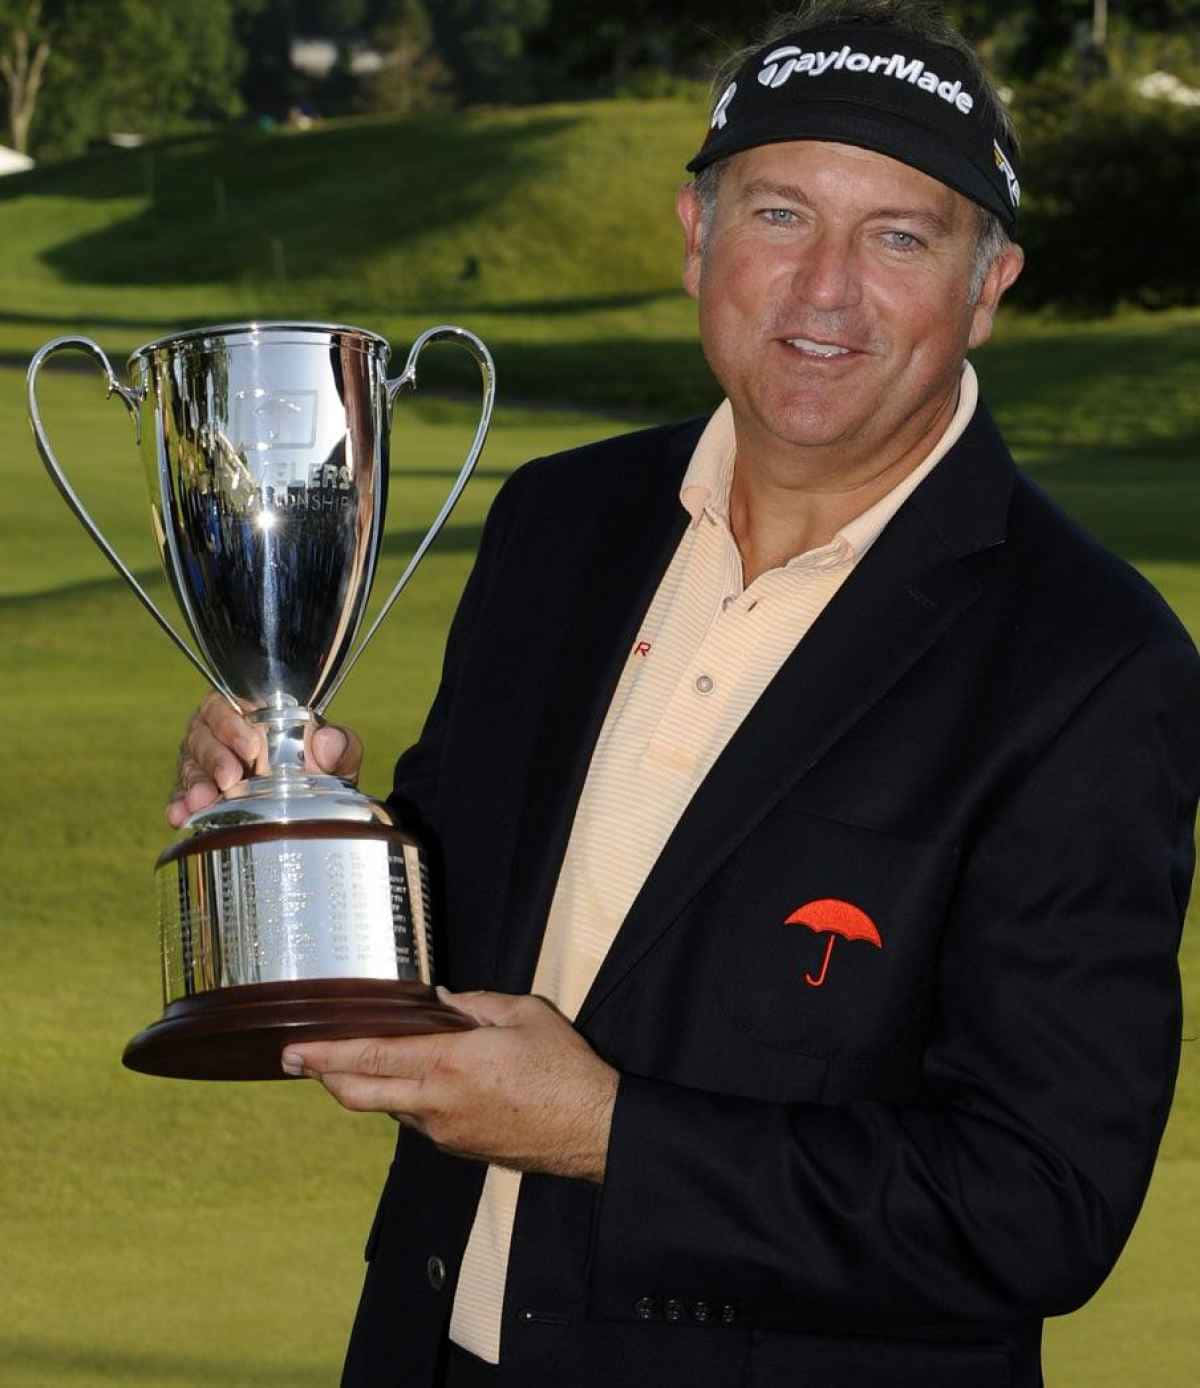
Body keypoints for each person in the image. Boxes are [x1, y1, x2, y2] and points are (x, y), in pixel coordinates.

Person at [170, 3, 1200, 1386]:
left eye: (900, 236)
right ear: (696, 234)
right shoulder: (562, 523)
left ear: (987, 283)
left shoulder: (1088, 664)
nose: (824, 289)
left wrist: (607, 1133)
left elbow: (1034, 1207)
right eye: (779, 214)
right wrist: (307, 824)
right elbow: (492, 931)